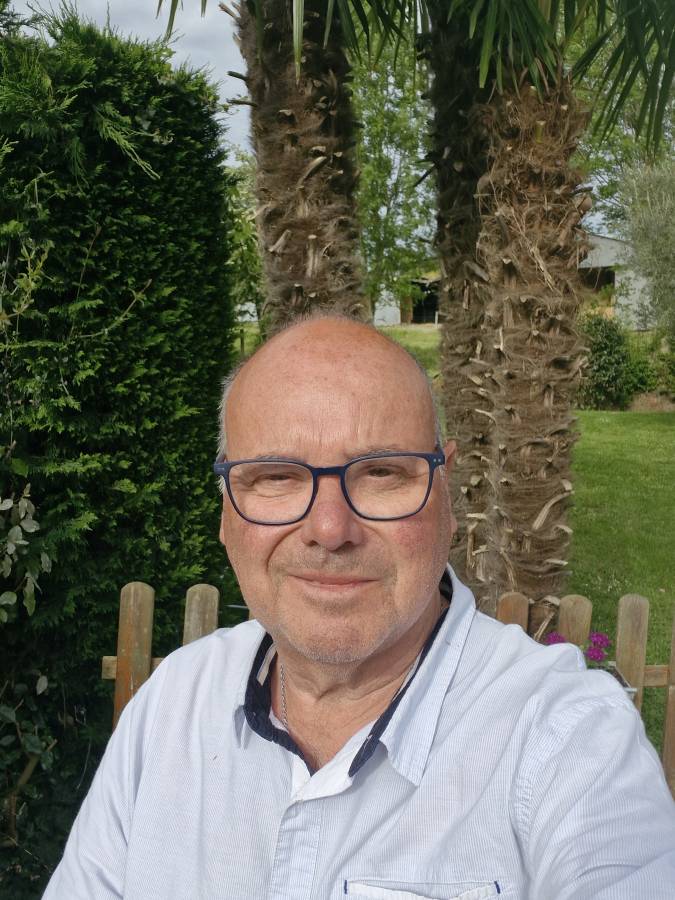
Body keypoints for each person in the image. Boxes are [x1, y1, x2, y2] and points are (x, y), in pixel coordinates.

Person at [44, 315, 675, 900]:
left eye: (381, 474)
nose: (329, 528)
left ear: (447, 494)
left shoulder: (570, 742)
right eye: (275, 476)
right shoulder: (171, 707)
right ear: (226, 513)